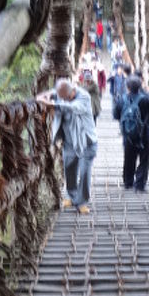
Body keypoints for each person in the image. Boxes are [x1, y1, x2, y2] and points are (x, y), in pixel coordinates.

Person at [37, 79, 97, 214]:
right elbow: (49, 94)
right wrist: (44, 96)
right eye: (60, 97)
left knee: (84, 172)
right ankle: (71, 196)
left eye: (65, 98)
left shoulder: (84, 96)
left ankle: (81, 202)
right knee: (69, 169)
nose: (63, 99)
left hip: (86, 142)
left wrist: (53, 103)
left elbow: (74, 107)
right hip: (69, 141)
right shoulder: (61, 94)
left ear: (72, 91)